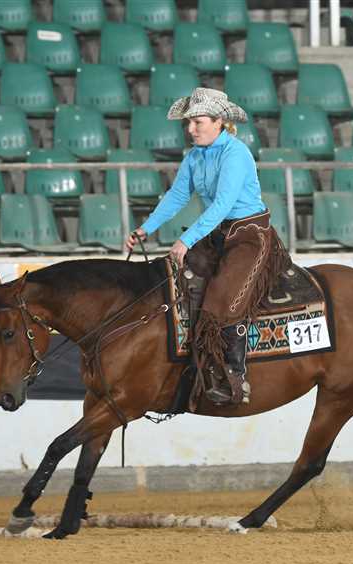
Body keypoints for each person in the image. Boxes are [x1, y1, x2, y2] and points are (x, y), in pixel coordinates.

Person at [123, 88, 289, 407]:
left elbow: (223, 204)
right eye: (188, 123)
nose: (190, 129)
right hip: (218, 234)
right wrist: (146, 228)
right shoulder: (194, 156)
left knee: (224, 296)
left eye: (197, 122)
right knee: (179, 284)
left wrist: (186, 240)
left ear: (218, 122)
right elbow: (177, 196)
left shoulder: (236, 154)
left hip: (250, 234)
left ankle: (234, 377)